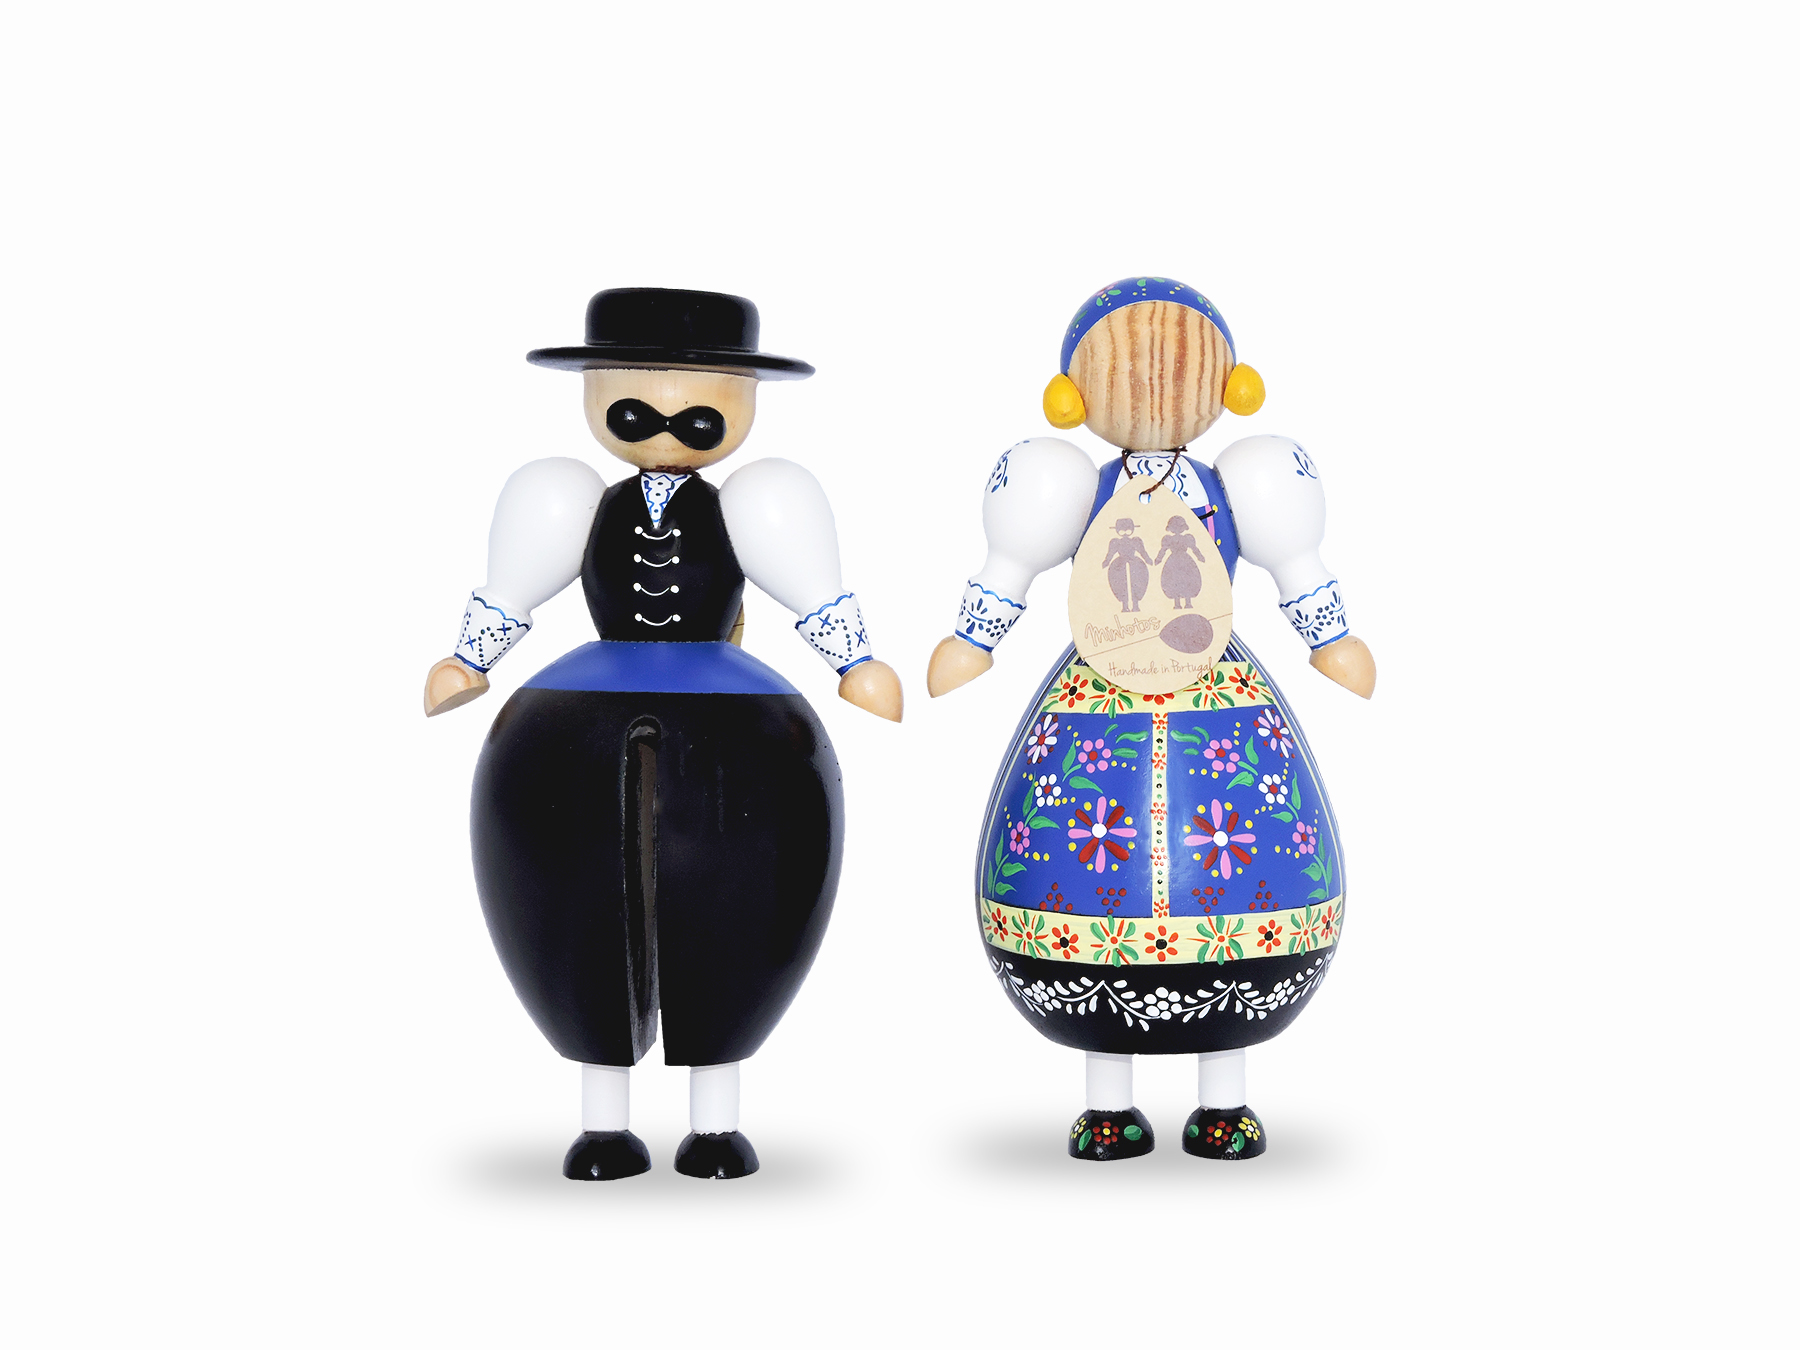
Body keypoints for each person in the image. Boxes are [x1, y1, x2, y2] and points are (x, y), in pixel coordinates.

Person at [423, 288, 902, 1180]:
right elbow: (514, 583)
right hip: (574, 721)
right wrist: (469, 659)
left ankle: (713, 1123)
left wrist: (854, 661)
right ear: (592, 395)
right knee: (575, 909)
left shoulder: (758, 502)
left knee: (733, 908)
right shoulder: (568, 499)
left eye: (702, 408)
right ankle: (603, 1122)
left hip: (735, 727)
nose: (669, 420)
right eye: (636, 403)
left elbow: (810, 585)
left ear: (745, 406)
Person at [926, 277, 1374, 1162]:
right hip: (1101, 680)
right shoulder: (1066, 486)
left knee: (1246, 864)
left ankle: (1223, 1101)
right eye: (1129, 368)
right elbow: (1011, 565)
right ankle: (1109, 1104)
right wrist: (974, 639)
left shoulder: (1247, 481)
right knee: (1087, 858)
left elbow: (1298, 564)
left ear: (1227, 383)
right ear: (1076, 393)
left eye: (1180, 364)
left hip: (1217, 684)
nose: (1156, 384)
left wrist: (1331, 638)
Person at [1152, 514, 1205, 609]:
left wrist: (1200, 557)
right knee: (1174, 580)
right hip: (1174, 562)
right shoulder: (1168, 539)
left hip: (1185, 562)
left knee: (1187, 579)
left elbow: (1194, 548)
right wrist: (1158, 559)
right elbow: (1163, 550)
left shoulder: (1187, 538)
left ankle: (1188, 603)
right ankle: (1177, 604)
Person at [1102, 517, 1152, 612]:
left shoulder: (1135, 541)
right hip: (1119, 565)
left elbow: (1142, 551)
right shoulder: (1115, 542)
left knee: (1136, 582)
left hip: (1134, 563)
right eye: (1122, 531)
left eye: (1128, 530)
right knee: (1121, 584)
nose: (1125, 533)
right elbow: (1110, 553)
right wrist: (1106, 562)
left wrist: (1148, 559)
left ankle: (1136, 605)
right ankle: (1124, 606)